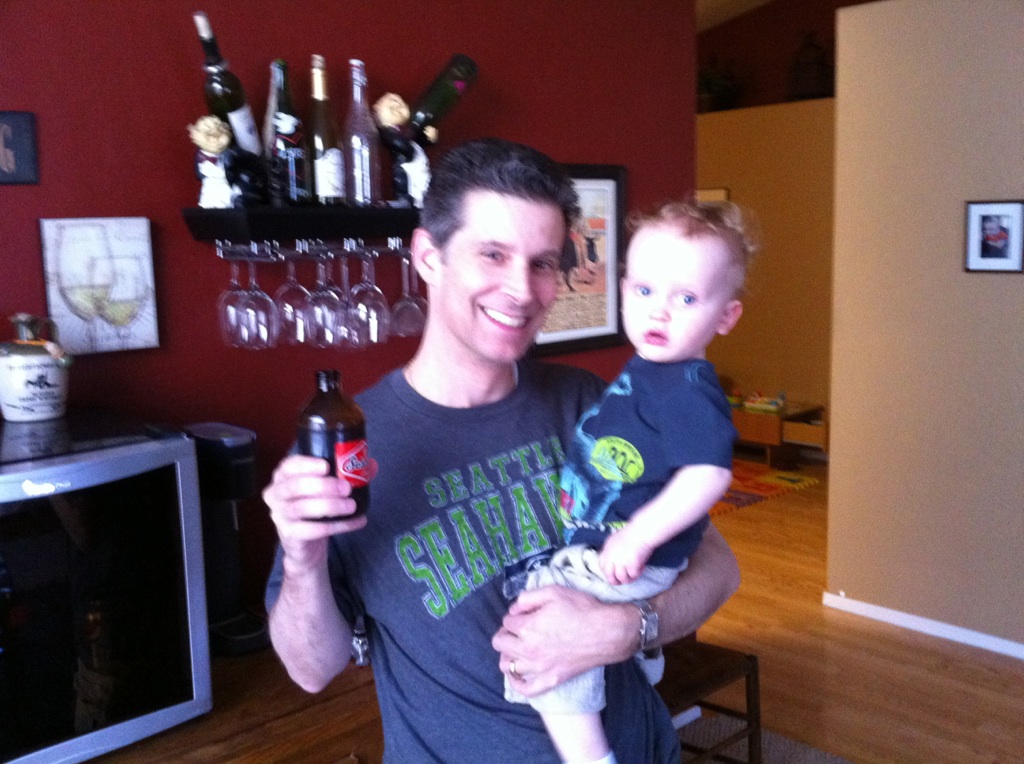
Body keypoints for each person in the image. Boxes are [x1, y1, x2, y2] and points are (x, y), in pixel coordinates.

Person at [262, 138, 741, 764]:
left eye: (542, 263)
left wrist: (628, 629)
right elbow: (311, 669)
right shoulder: (352, 443)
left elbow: (718, 568)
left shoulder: (592, 404)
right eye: (493, 254)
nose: (521, 289)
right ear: (428, 257)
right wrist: (303, 557)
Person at [504, 200, 753, 764]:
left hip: (629, 555)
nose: (658, 311)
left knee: (546, 629)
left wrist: (639, 535)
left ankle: (590, 757)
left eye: (685, 299)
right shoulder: (650, 371)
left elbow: (710, 472)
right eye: (643, 290)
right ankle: (642, 659)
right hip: (612, 548)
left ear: (726, 316)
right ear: (623, 290)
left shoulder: (686, 386)